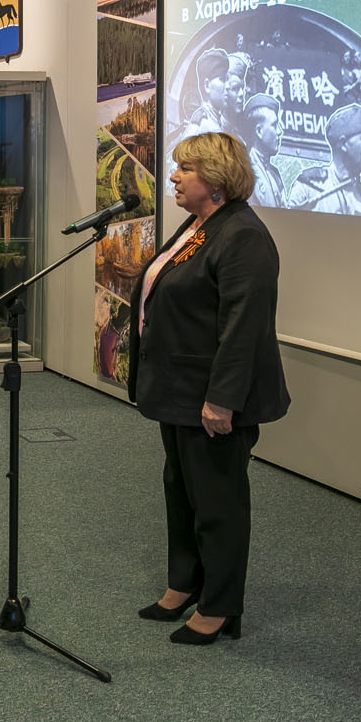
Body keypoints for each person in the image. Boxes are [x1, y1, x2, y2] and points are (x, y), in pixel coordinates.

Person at [129, 132, 290, 645]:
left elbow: (245, 327)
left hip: (212, 398)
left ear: (216, 180)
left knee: (217, 500)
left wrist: (221, 399)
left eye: (185, 169)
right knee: (181, 490)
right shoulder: (198, 225)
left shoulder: (243, 235)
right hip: (178, 390)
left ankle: (220, 605)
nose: (172, 176)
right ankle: (185, 584)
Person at [241, 94, 286, 208]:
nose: (280, 131)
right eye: (275, 125)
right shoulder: (243, 172)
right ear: (259, 131)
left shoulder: (275, 175)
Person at [183, 48, 229, 137]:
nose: (228, 86)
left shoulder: (216, 120)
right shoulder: (202, 127)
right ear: (207, 85)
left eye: (228, 80)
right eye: (223, 79)